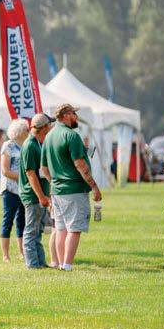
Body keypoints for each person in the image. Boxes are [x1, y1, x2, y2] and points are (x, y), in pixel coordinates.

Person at [40, 104, 102, 271]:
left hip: (57, 191)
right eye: (74, 113)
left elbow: (44, 168)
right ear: (66, 115)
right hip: (74, 190)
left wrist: (54, 182)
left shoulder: (49, 136)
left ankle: (62, 264)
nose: (76, 117)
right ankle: (67, 265)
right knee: (74, 229)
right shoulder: (72, 135)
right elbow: (80, 164)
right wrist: (94, 187)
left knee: (61, 229)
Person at [19, 113, 56, 269]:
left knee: (38, 231)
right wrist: (41, 196)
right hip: (33, 196)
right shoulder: (30, 145)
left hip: (39, 195)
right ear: (44, 127)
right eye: (50, 125)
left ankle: (41, 263)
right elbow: (30, 173)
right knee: (31, 231)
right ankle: (33, 265)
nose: (52, 127)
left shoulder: (37, 143)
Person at [0, 119, 28, 262]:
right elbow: (5, 171)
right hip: (10, 189)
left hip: (23, 189)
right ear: (20, 132)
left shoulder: (27, 145)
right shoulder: (8, 146)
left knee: (22, 220)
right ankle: (5, 255)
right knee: (8, 220)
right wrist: (24, 177)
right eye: (26, 130)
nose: (29, 132)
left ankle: (22, 252)